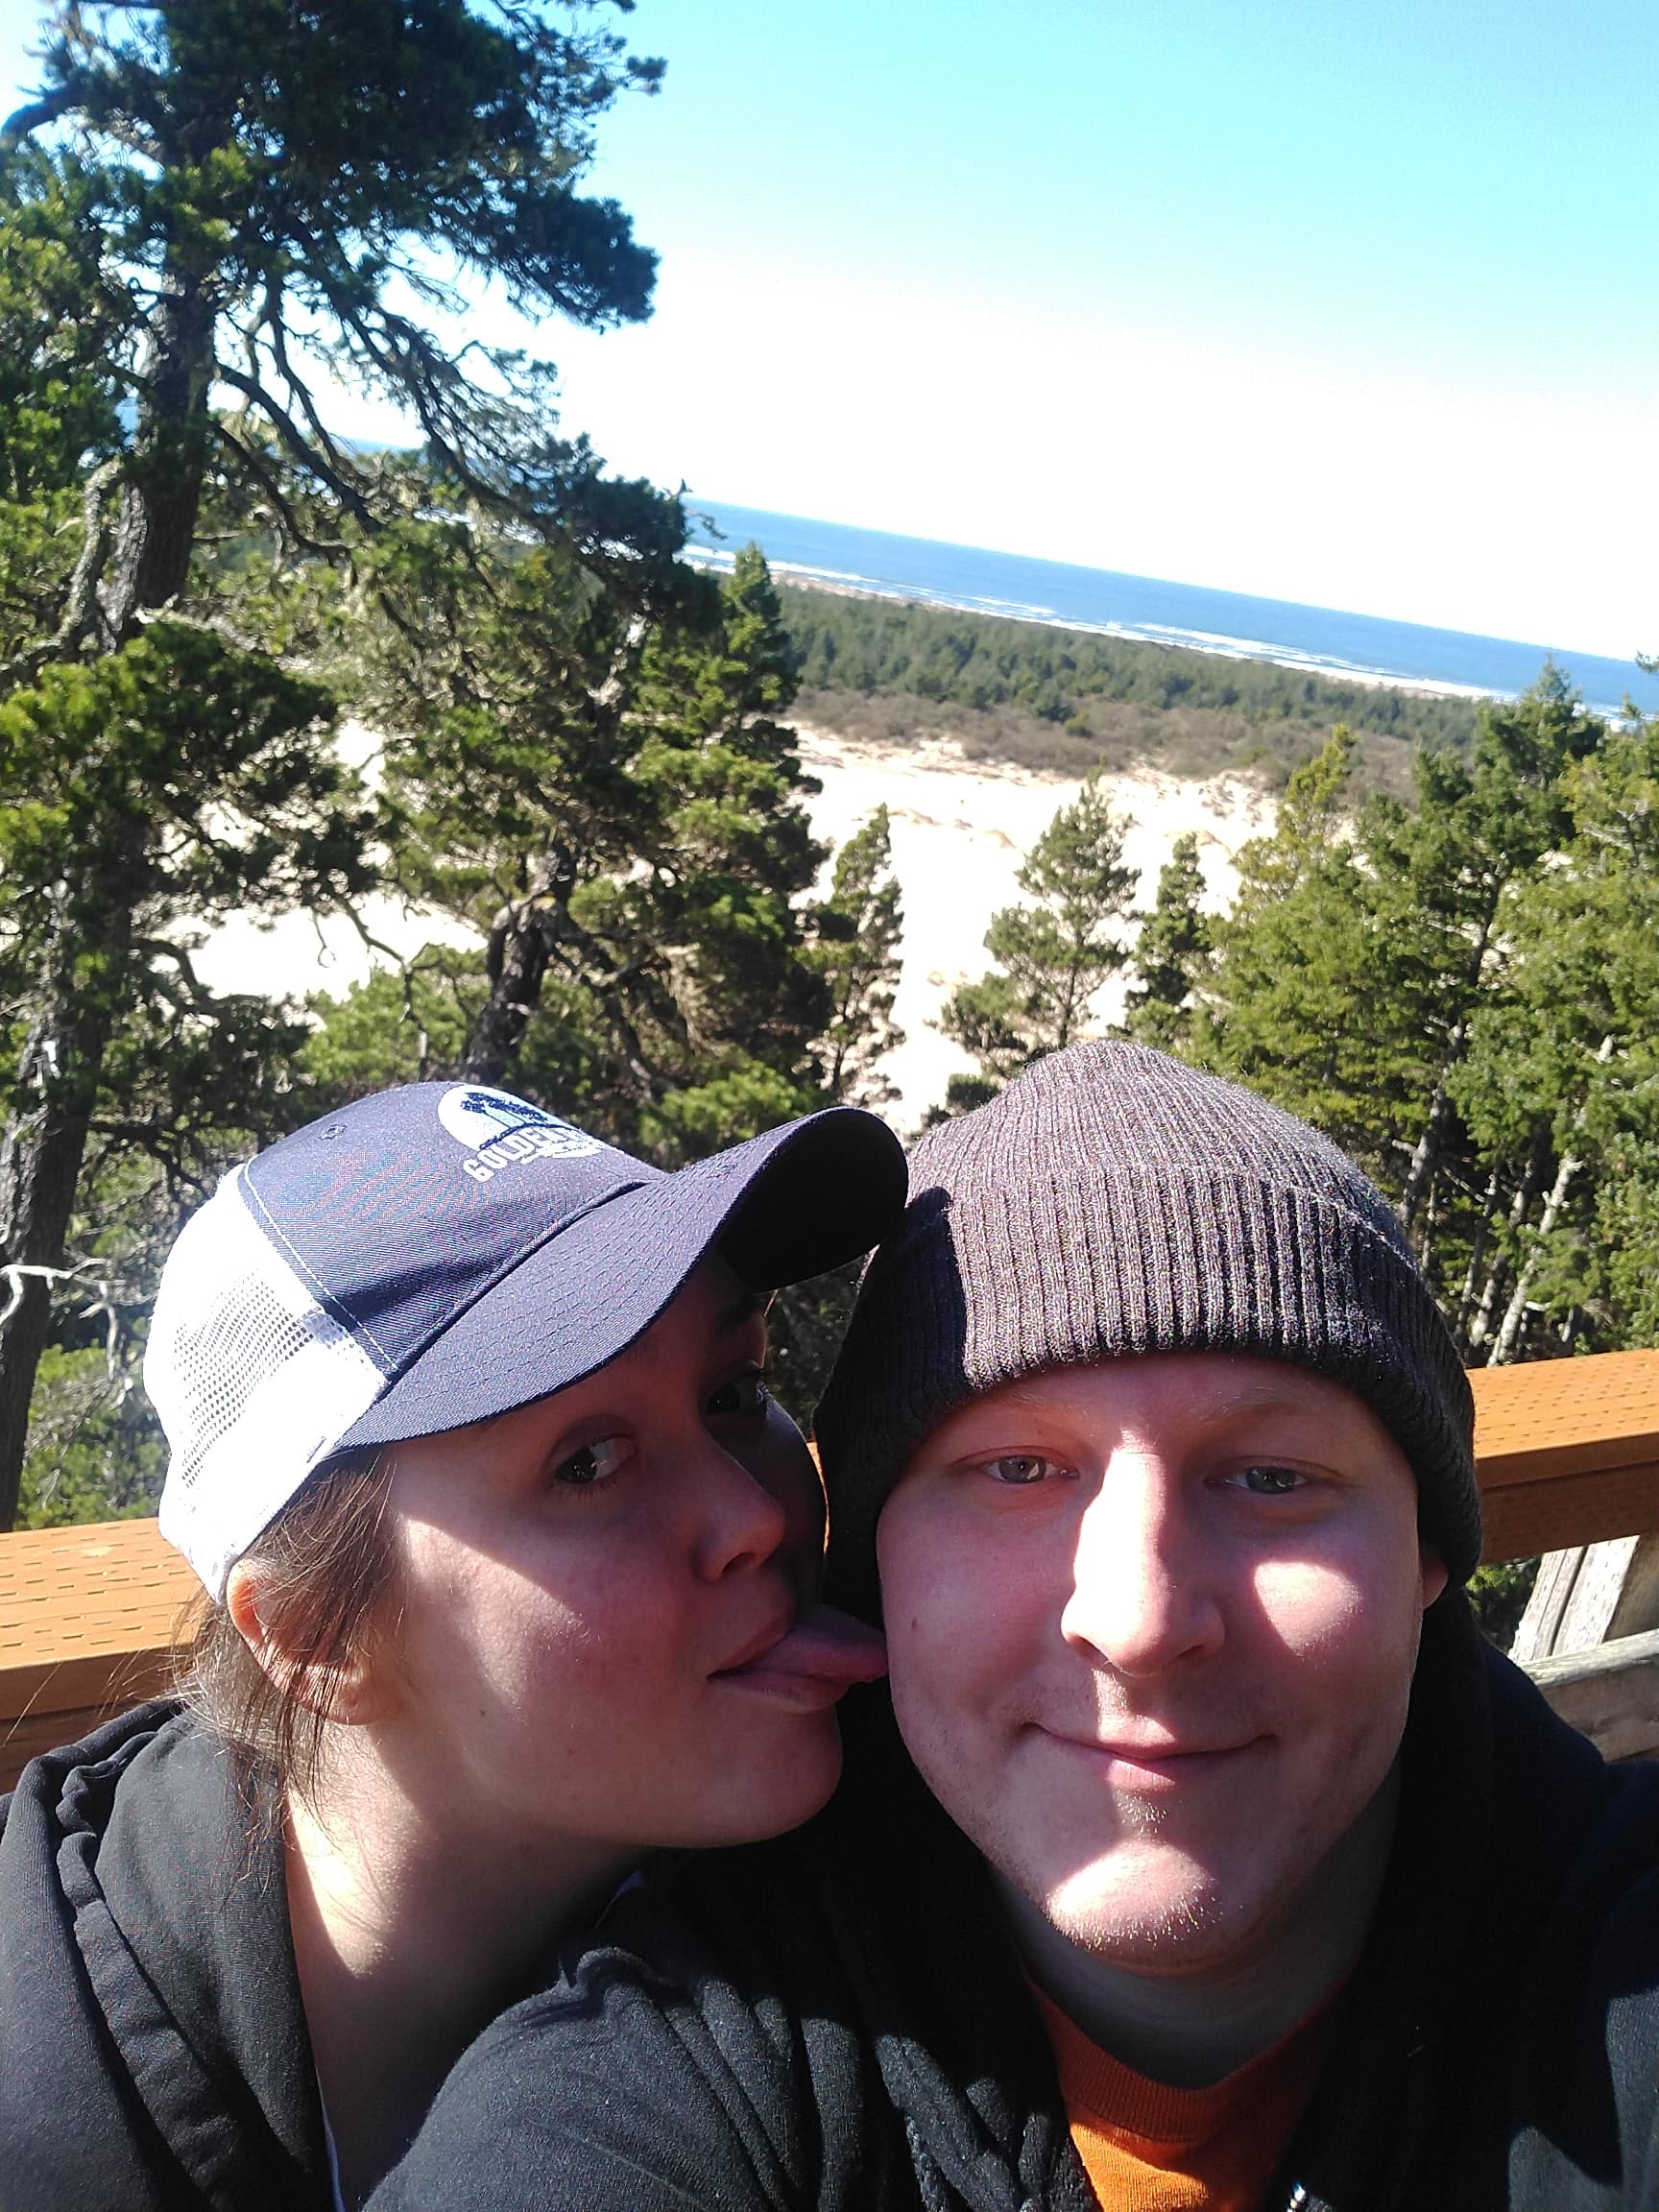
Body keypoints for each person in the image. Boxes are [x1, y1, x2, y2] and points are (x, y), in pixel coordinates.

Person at [375, 1042, 1659, 2212]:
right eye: (1017, 1474)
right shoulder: (686, 2051)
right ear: (877, 1554)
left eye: (1273, 1478)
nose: (1142, 1622)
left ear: (1426, 1550)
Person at [0, 1078, 905, 2212]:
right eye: (587, 1462)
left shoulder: (866, 1903)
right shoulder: (46, 2110)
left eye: (735, 1391)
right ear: (315, 1640)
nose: (759, 1517)